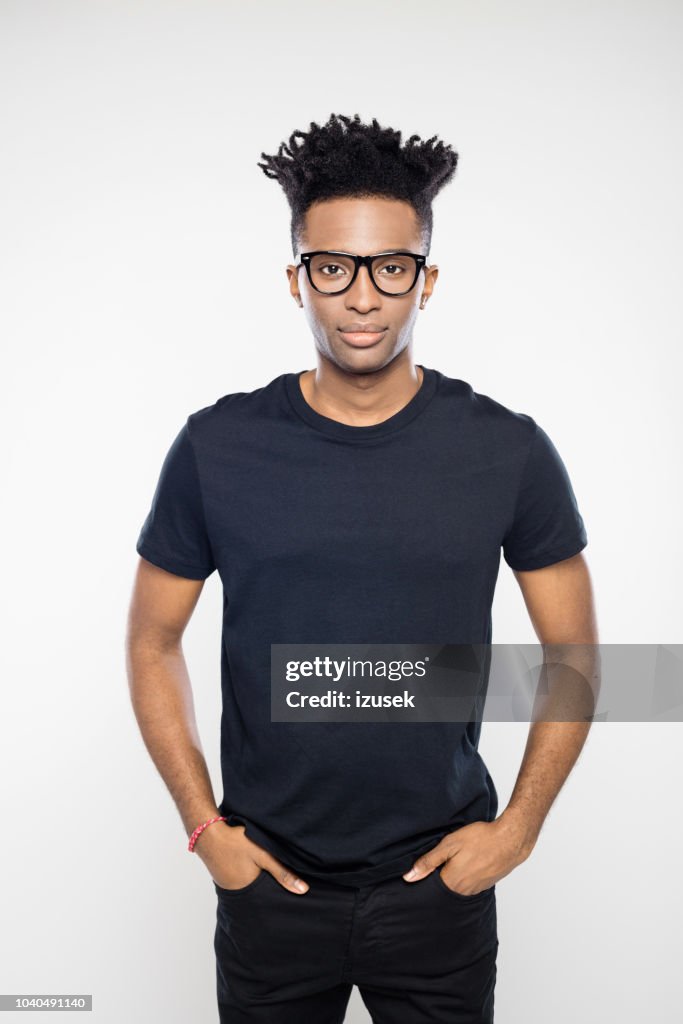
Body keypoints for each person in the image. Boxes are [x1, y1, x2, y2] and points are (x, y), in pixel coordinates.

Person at [126, 112, 598, 1023]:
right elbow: (151, 641)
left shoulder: (506, 451)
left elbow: (574, 655)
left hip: (439, 895)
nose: (362, 298)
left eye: (392, 267)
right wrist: (204, 829)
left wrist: (517, 832)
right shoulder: (216, 448)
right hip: (268, 890)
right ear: (297, 278)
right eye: (332, 267)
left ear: (426, 280)